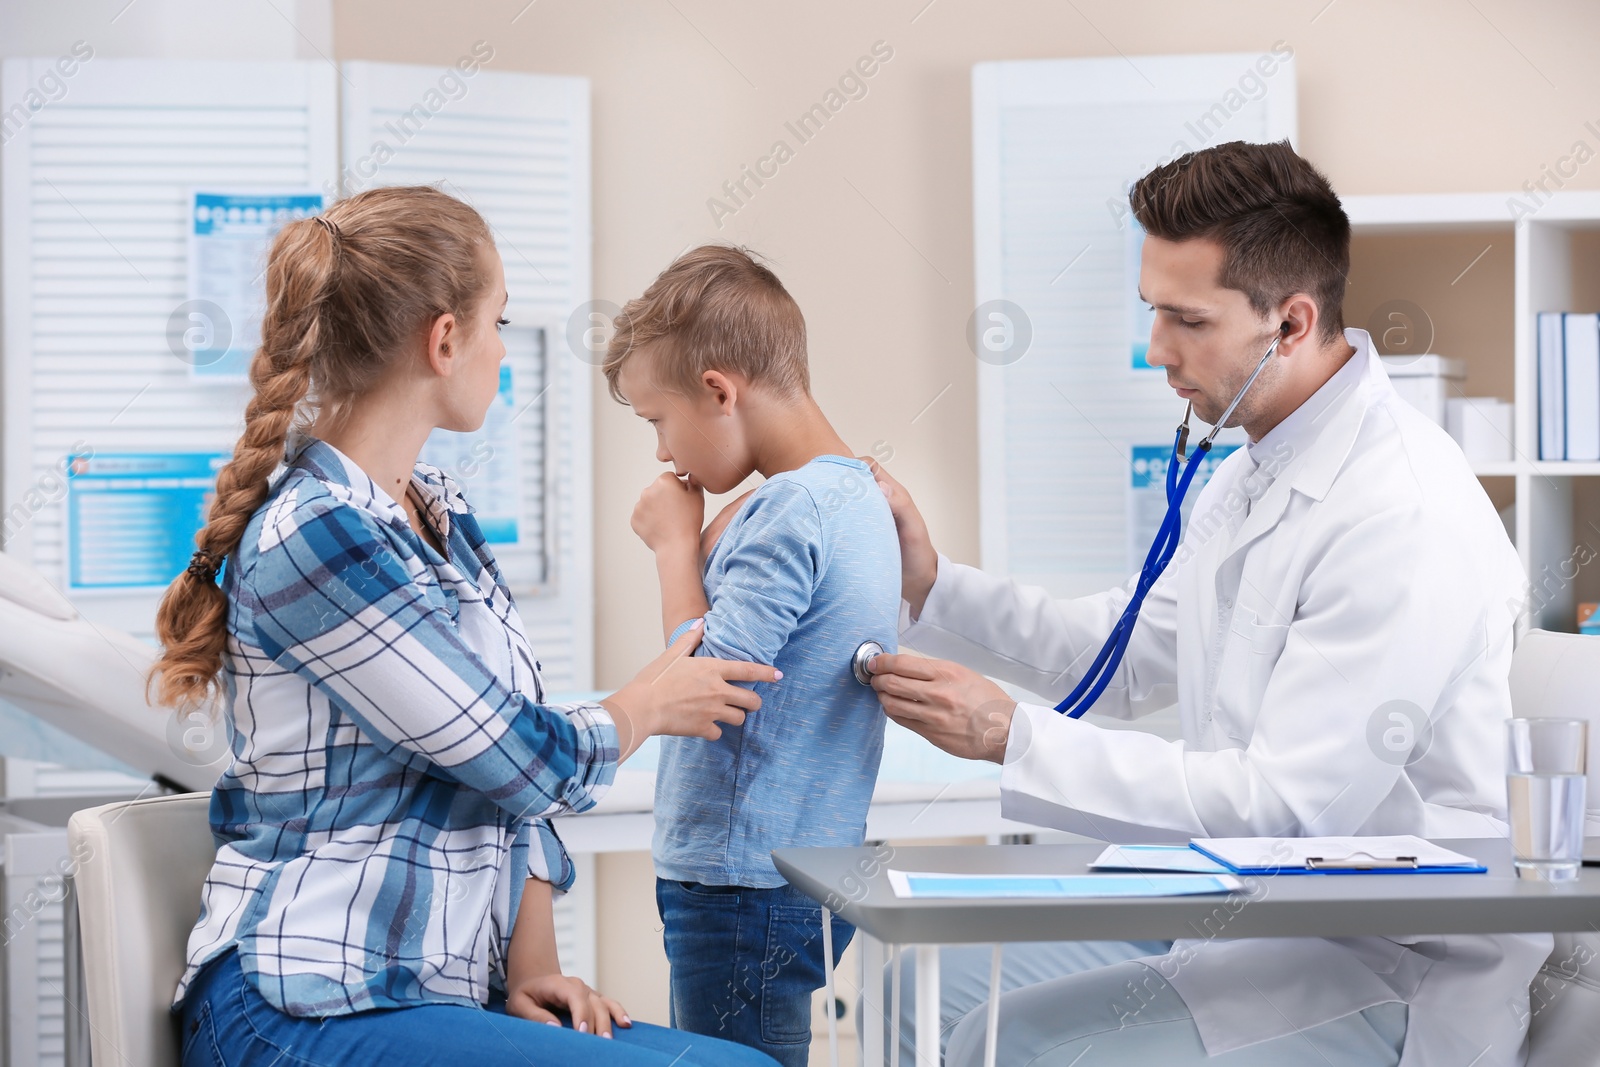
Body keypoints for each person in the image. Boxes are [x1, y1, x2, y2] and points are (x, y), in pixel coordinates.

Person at [864, 141, 1550, 1066]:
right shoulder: (1255, 466)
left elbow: (1285, 809)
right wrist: (930, 581)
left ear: (1293, 322)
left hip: (1386, 964)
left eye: (1188, 320)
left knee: (1023, 1041)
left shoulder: (1404, 513)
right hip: (1244, 915)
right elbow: (1122, 654)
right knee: (927, 982)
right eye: (1154, 313)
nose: (1157, 352)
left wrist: (1010, 737)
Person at [149, 186, 780, 1067]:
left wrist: (533, 965)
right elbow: (523, 755)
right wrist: (647, 703)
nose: (501, 352)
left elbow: (496, 766)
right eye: (499, 324)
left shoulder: (438, 516)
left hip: (419, 995)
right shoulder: (314, 533)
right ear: (444, 340)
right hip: (297, 1005)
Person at [603, 245, 900, 1066]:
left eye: (657, 420)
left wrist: (672, 549)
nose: (664, 453)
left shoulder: (787, 509)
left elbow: (708, 691)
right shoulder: (858, 493)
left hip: (742, 884)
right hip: (802, 868)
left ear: (718, 390)